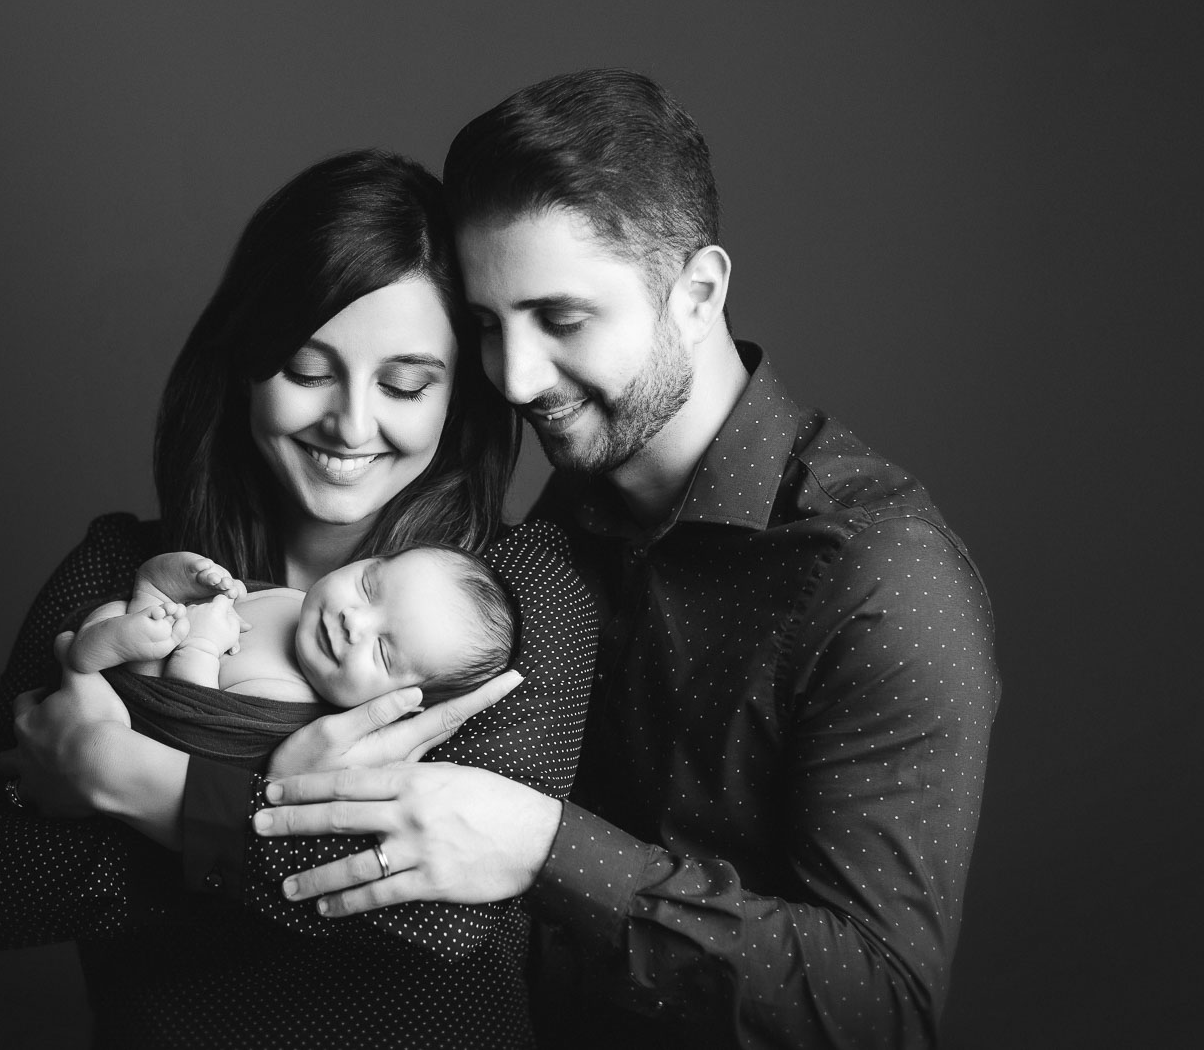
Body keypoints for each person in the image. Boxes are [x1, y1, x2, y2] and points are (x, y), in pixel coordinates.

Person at [254, 70, 1002, 1048]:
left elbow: (880, 1010)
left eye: (561, 320)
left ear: (696, 292)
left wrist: (544, 847)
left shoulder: (881, 579)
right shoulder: (553, 517)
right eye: (488, 325)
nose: (515, 377)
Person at [0, 148, 599, 1048]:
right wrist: (276, 813)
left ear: (457, 398)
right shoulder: (127, 573)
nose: (351, 425)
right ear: (243, 363)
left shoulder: (517, 601)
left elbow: (436, 920)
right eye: (309, 371)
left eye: (404, 384)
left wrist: (121, 778)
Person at [60, 544, 516, 771]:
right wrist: (194, 577)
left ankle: (88, 657)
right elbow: (222, 599)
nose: (354, 622)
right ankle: (104, 638)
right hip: (155, 619)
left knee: (127, 638)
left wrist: (198, 649)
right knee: (144, 595)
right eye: (368, 587)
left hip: (136, 694)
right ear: (370, 560)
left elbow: (191, 720)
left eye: (381, 650)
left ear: (403, 702)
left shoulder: (288, 704)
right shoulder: (297, 600)